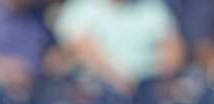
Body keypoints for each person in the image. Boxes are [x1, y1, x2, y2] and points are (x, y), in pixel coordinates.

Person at [53, 0, 185, 95]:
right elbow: (80, 48)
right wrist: (116, 79)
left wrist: (163, 79)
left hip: (149, 87)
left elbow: (173, 49)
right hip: (97, 90)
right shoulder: (82, 7)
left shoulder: (152, 6)